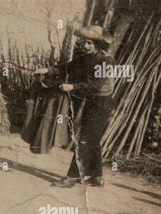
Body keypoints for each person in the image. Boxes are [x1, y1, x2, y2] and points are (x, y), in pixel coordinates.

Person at [36, 25, 115, 188]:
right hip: (92, 101)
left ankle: (71, 178)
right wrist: (47, 70)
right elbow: (67, 67)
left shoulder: (106, 60)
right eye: (83, 42)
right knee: (92, 138)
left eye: (89, 43)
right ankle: (97, 177)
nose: (85, 46)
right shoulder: (84, 57)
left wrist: (72, 87)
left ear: (98, 44)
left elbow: (96, 85)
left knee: (85, 140)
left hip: (102, 103)